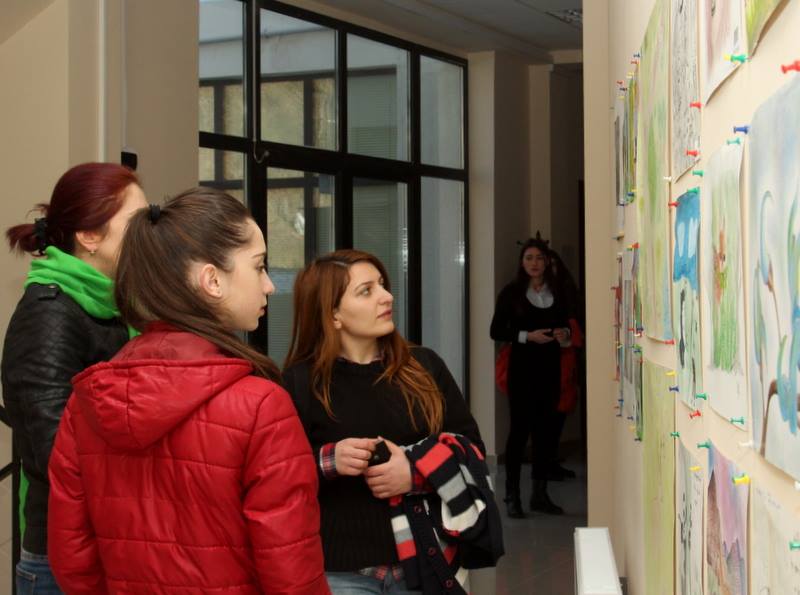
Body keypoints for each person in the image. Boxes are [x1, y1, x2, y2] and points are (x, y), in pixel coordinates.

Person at [47, 189, 329, 594]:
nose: (269, 285)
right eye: (259, 266)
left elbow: (72, 558)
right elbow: (292, 573)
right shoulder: (260, 405)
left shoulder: (88, 402)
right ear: (212, 280)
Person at [283, 249, 498, 595]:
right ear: (333, 314)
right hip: (339, 573)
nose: (387, 297)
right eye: (366, 291)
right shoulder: (300, 381)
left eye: (382, 285)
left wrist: (415, 473)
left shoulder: (425, 366)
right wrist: (329, 460)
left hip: (427, 564)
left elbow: (473, 450)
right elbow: (277, 475)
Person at [2, 162, 146, 593]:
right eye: (136, 222)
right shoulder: (48, 314)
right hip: (61, 558)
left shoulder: (115, 304)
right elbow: (55, 454)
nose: (147, 234)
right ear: (89, 237)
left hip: (106, 543)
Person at [490, 238, 570, 518]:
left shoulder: (557, 291)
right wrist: (527, 336)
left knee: (545, 434)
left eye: (539, 258)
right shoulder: (511, 292)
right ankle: (512, 495)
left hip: (549, 370)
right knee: (519, 433)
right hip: (522, 371)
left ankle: (540, 494)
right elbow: (496, 330)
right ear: (522, 263)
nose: (534, 263)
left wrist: (563, 335)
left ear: (547, 262)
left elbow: (567, 328)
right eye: (529, 258)